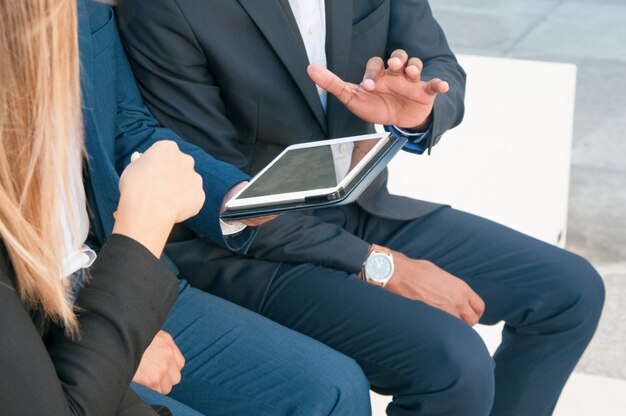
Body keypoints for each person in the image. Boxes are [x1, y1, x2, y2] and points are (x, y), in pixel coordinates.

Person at [117, 0, 606, 415]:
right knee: (455, 361)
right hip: (247, 249)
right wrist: (382, 266)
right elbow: (217, 194)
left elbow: (439, 64)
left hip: (361, 206)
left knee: (570, 291)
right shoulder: (169, 7)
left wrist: (423, 110)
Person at [0, 0, 371, 415]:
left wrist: (230, 197)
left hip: (105, 268)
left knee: (334, 390)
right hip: (37, 307)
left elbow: (127, 124)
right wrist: (116, 343)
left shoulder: (84, 8)